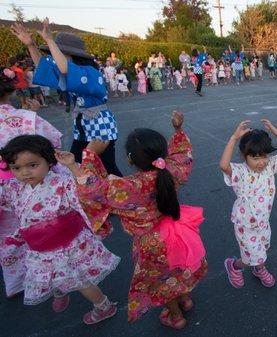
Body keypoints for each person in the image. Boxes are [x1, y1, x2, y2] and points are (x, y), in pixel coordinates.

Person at [60, 111, 208, 328]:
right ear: (162, 154)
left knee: (161, 280)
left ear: (130, 159)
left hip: (152, 243)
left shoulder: (128, 187)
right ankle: (185, 299)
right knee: (179, 268)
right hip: (179, 231)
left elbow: (92, 190)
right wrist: (177, 129)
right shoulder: (172, 169)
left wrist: (89, 154)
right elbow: (183, 152)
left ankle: (175, 316)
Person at [2, 135, 119, 323]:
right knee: (48, 274)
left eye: (32, 165)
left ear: (49, 161)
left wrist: (72, 166)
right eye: (16, 168)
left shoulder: (62, 183)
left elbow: (88, 194)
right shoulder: (12, 188)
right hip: (38, 246)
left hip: (66, 246)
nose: (24, 173)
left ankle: (104, 306)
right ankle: (60, 288)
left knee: (79, 280)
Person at [11, 19, 122, 177]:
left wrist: (49, 40)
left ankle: (125, 194)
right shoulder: (70, 71)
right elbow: (46, 68)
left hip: (100, 128)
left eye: (57, 53)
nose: (53, 58)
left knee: (106, 168)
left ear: (72, 55)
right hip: (83, 126)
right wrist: (30, 45)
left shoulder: (90, 72)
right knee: (76, 165)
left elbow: (64, 68)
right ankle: (88, 196)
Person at [0, 68, 62, 299]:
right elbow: (53, 139)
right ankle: (43, 274)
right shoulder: (25, 118)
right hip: (25, 183)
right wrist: (33, 115)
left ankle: (14, 283)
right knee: (34, 227)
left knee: (6, 235)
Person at [220, 116, 277, 288]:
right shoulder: (240, 171)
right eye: (255, 158)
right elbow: (224, 165)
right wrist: (234, 138)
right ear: (244, 156)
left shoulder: (269, 165)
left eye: (264, 156)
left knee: (262, 249)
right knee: (252, 257)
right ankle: (234, 266)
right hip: (245, 224)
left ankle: (258, 269)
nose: (261, 162)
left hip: (263, 222)